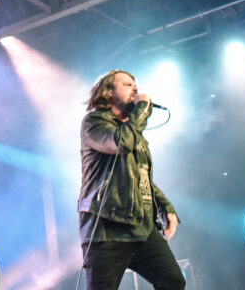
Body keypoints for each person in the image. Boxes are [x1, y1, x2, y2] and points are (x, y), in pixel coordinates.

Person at [77, 69, 185, 290]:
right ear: (109, 93)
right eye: (127, 85)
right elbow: (121, 144)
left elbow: (141, 175)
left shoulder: (134, 131)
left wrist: (165, 206)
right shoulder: (94, 123)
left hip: (141, 227)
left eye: (135, 85)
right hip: (108, 229)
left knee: (173, 281)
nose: (135, 89)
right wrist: (142, 110)